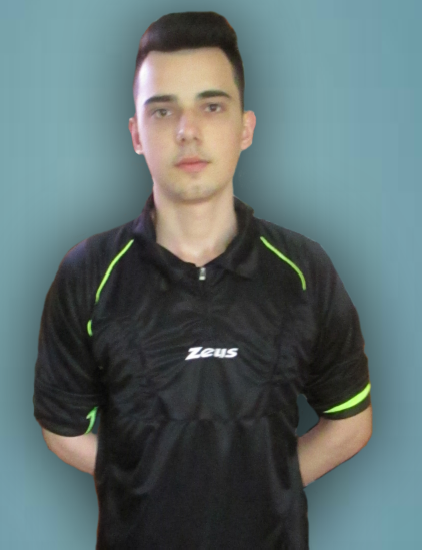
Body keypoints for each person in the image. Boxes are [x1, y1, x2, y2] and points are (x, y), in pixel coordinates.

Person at [33, 11, 372, 549]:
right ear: (136, 133)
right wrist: (149, 484)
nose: (187, 131)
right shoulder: (87, 274)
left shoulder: (304, 271)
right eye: (162, 110)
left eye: (211, 106)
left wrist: (260, 488)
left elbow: (350, 422)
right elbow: (62, 427)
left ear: (245, 127)